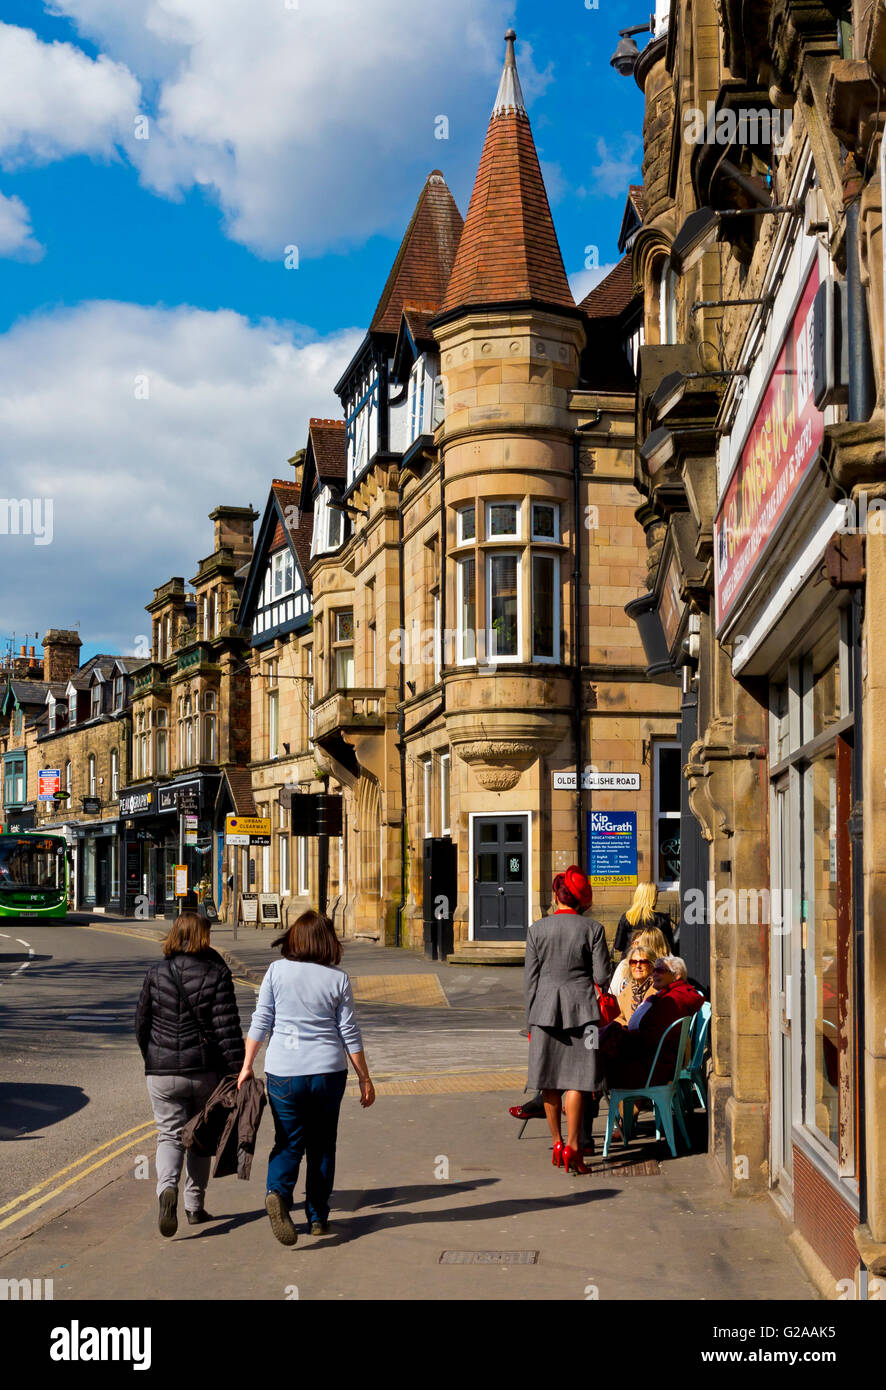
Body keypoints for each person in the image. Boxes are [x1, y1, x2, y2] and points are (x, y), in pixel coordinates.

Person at [237, 909, 375, 1245]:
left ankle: (279, 1194)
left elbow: (261, 1020)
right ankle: (317, 1217)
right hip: (328, 1072)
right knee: (323, 1145)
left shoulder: (276, 972)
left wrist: (247, 1064)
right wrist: (365, 1078)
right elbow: (348, 1032)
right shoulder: (337, 978)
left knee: (288, 1140)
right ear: (327, 941)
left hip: (283, 1072)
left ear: (295, 939)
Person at [135, 911, 245, 1237]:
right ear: (204, 937)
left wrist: (153, 1058)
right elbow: (228, 1032)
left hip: (161, 1071)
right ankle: (194, 1206)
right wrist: (239, 1073)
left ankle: (165, 1189)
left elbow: (141, 1024)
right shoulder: (216, 974)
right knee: (199, 1139)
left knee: (169, 1135)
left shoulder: (156, 973)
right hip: (204, 1072)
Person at [524, 865, 611, 1175]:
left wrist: (531, 1022)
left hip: (543, 1013)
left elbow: (530, 981)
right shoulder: (593, 930)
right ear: (580, 900)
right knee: (577, 1080)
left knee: (549, 1081)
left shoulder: (537, 930)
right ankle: (575, 1147)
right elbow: (601, 976)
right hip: (583, 1014)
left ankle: (558, 1142)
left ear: (556, 896)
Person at [603, 954, 704, 1092]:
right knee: (600, 1042)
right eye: (654, 970)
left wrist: (622, 1034)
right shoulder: (667, 995)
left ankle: (586, 1099)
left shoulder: (671, 1000)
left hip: (653, 1067)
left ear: (677, 976)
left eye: (660, 970)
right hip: (653, 1060)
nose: (654, 974)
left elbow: (651, 1039)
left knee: (598, 1055)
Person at [613, 883, 674, 960]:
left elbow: (618, 946)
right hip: (654, 961)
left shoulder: (627, 917)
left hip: (631, 961)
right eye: (656, 894)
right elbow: (670, 946)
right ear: (653, 897)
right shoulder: (662, 919)